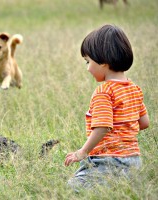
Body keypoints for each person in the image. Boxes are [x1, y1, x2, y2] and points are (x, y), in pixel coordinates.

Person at [64, 24, 150, 191]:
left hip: (108, 161)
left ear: (103, 61)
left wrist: (82, 152)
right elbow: (144, 123)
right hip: (134, 161)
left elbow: (103, 126)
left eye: (88, 62)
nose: (87, 68)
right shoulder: (134, 88)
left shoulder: (104, 91)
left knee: (72, 188)